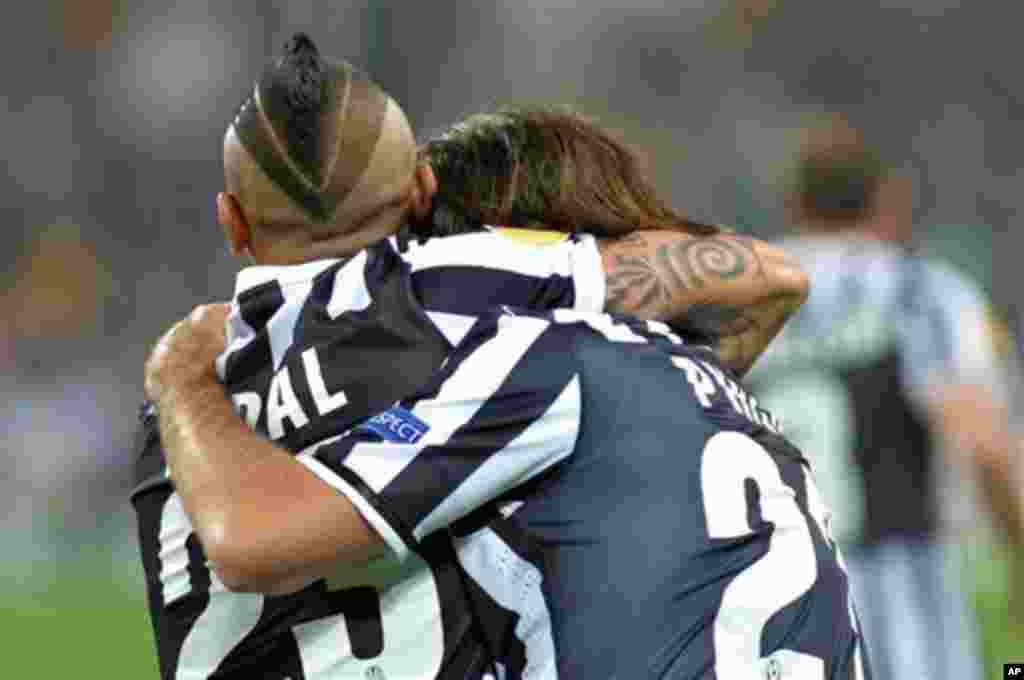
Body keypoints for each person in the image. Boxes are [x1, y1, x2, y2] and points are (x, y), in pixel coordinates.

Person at [132, 34, 814, 679]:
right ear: (422, 190)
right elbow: (766, 278)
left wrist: (179, 375)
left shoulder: (181, 413)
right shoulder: (457, 285)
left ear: (232, 221)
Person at [745, 114, 1020, 680]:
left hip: (775, 628)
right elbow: (984, 444)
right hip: (908, 626)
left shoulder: (743, 299)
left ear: (794, 203)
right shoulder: (919, 292)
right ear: (886, 200)